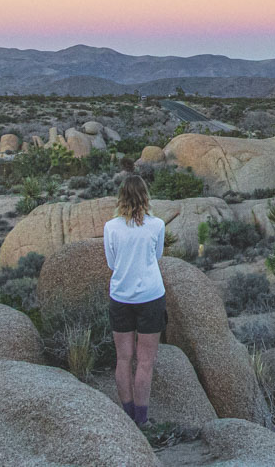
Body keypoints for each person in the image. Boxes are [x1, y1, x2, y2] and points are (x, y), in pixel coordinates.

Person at [103, 175, 166, 426]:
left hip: (121, 296)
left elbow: (111, 262)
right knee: (146, 361)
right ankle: (141, 421)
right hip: (151, 296)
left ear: (121, 197)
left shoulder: (111, 227)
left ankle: (128, 417)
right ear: (145, 196)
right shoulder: (157, 225)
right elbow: (157, 255)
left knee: (123, 359)